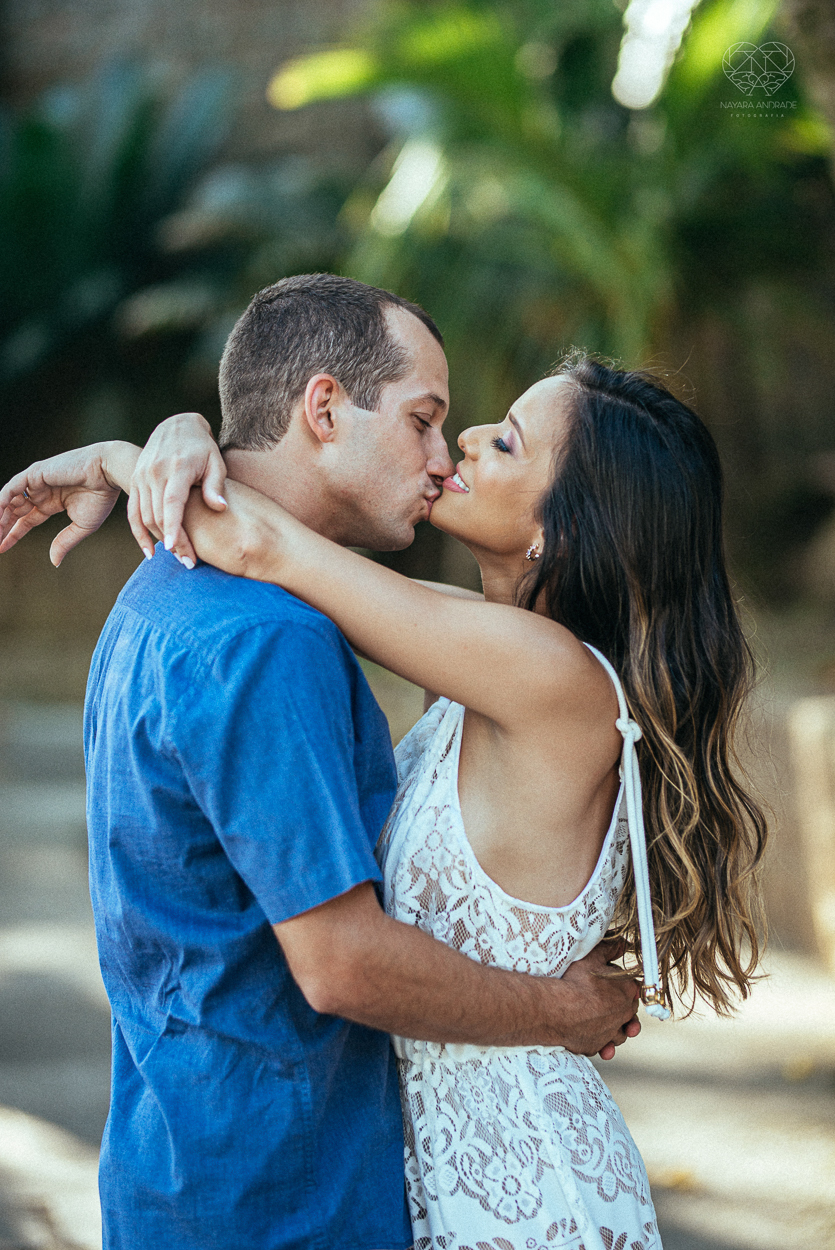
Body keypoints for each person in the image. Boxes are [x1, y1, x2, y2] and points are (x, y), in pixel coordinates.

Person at [0, 276, 643, 1250]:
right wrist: (565, 1006)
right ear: (325, 406)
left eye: (481, 435)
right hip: (283, 1195)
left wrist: (142, 450)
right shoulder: (269, 638)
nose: (447, 452)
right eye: (426, 420)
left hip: (192, 1164)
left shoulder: (167, 588)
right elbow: (341, 962)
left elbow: (257, 534)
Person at [96, 355, 769, 1249]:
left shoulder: (549, 676)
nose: (466, 439)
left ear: (562, 529)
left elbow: (264, 541)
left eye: (506, 442)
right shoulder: (469, 650)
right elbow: (283, 537)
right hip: (418, 1167)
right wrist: (160, 443)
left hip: (520, 1185)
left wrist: (142, 455)